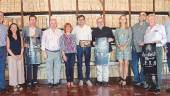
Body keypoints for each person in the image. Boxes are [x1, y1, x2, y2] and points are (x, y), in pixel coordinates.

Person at [144, 14, 167, 92]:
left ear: (155, 19)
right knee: (149, 68)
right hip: (148, 51)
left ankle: (158, 86)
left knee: (158, 68)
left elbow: (165, 38)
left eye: (152, 19)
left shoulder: (160, 27)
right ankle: (151, 84)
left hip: (157, 48)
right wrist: (143, 43)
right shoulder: (147, 29)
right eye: (149, 19)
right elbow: (147, 40)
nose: (150, 20)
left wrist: (160, 41)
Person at [41, 16, 63, 88]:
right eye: (51, 23)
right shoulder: (45, 32)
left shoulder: (60, 32)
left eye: (54, 23)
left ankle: (56, 82)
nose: (53, 24)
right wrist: (44, 52)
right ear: (49, 24)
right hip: (48, 52)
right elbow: (43, 42)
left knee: (57, 67)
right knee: (49, 68)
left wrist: (62, 52)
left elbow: (62, 43)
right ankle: (50, 82)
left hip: (58, 52)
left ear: (56, 24)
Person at [92, 17, 114, 86]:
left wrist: (111, 39)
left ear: (103, 22)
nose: (100, 23)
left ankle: (105, 81)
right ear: (96, 23)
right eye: (98, 22)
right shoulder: (94, 31)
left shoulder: (108, 29)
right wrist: (92, 43)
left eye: (101, 21)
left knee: (105, 66)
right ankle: (99, 81)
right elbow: (92, 41)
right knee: (98, 66)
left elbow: (113, 38)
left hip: (107, 51)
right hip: (98, 51)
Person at [72, 15, 93, 87]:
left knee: (87, 63)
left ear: (84, 20)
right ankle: (80, 79)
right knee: (79, 63)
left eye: (82, 19)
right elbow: (73, 39)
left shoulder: (88, 27)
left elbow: (90, 38)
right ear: (77, 21)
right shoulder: (75, 28)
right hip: (78, 47)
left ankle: (87, 79)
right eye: (79, 20)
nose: (81, 21)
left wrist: (87, 43)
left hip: (87, 46)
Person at [22, 15, 42, 89]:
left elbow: (41, 40)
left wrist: (38, 44)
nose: (33, 21)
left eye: (34, 20)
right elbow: (22, 38)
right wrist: (24, 44)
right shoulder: (25, 29)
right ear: (29, 20)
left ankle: (35, 81)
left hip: (36, 51)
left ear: (36, 21)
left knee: (35, 66)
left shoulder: (39, 30)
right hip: (28, 50)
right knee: (29, 66)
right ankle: (29, 82)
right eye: (31, 19)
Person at [131, 12, 148, 87]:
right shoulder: (134, 26)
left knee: (144, 65)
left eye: (143, 15)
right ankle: (137, 79)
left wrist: (145, 42)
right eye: (140, 15)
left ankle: (142, 79)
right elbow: (131, 37)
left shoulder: (148, 26)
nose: (141, 16)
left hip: (144, 49)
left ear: (146, 17)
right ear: (138, 17)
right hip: (134, 49)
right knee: (134, 65)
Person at [7, 23, 25, 92]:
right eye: (12, 27)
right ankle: (14, 85)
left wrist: (20, 55)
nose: (14, 28)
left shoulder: (20, 36)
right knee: (13, 71)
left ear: (17, 28)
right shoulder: (8, 36)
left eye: (15, 27)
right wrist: (14, 56)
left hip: (19, 56)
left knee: (19, 70)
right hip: (11, 56)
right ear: (10, 29)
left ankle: (18, 84)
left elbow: (22, 47)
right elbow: (8, 48)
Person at [115, 15, 132, 86]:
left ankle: (124, 79)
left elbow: (130, 38)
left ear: (126, 20)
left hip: (126, 48)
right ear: (119, 20)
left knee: (126, 63)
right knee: (120, 63)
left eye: (124, 19)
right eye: (121, 19)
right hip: (119, 49)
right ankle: (121, 78)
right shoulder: (117, 30)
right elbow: (116, 39)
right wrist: (119, 46)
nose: (122, 20)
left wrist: (124, 46)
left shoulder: (129, 29)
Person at [60, 23, 76, 87]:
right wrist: (63, 55)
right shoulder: (62, 36)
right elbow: (61, 46)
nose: (68, 28)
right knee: (67, 68)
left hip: (72, 54)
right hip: (65, 54)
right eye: (66, 27)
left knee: (71, 68)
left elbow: (74, 45)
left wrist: (75, 54)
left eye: (69, 27)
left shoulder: (74, 36)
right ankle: (68, 81)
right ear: (65, 28)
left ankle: (71, 81)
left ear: (71, 28)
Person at [0, 11, 8, 92]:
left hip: (3, 49)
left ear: (3, 18)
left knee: (2, 68)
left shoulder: (5, 28)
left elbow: (7, 40)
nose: (0, 17)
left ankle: (2, 86)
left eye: (1, 16)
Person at [165, 11, 170, 93]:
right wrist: (165, 47)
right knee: (169, 64)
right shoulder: (166, 24)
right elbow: (164, 36)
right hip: (168, 45)